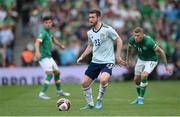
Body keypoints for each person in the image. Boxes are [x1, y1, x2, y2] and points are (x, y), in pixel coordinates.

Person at [77, 10, 125, 110]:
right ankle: (90, 104)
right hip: (95, 61)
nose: (90, 19)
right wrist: (82, 56)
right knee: (84, 83)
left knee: (103, 80)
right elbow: (90, 45)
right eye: (89, 17)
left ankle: (99, 99)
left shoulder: (107, 29)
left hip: (108, 61)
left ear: (99, 18)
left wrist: (118, 56)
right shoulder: (90, 32)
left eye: (93, 17)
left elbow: (119, 40)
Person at [126, 27, 172, 104]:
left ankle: (141, 99)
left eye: (138, 35)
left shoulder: (149, 42)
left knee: (144, 75)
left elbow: (161, 52)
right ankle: (138, 97)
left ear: (142, 35)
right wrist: (128, 58)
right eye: (135, 35)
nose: (136, 37)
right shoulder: (132, 39)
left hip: (151, 60)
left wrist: (166, 66)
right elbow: (129, 47)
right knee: (136, 79)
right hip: (141, 59)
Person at [34, 16, 70, 100]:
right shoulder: (43, 32)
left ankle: (59, 91)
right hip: (43, 57)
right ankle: (42, 93)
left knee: (57, 73)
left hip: (49, 57)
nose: (48, 24)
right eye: (46, 22)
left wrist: (60, 45)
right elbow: (37, 42)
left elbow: (53, 40)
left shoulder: (48, 32)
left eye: (50, 22)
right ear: (43, 24)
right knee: (50, 74)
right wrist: (37, 52)